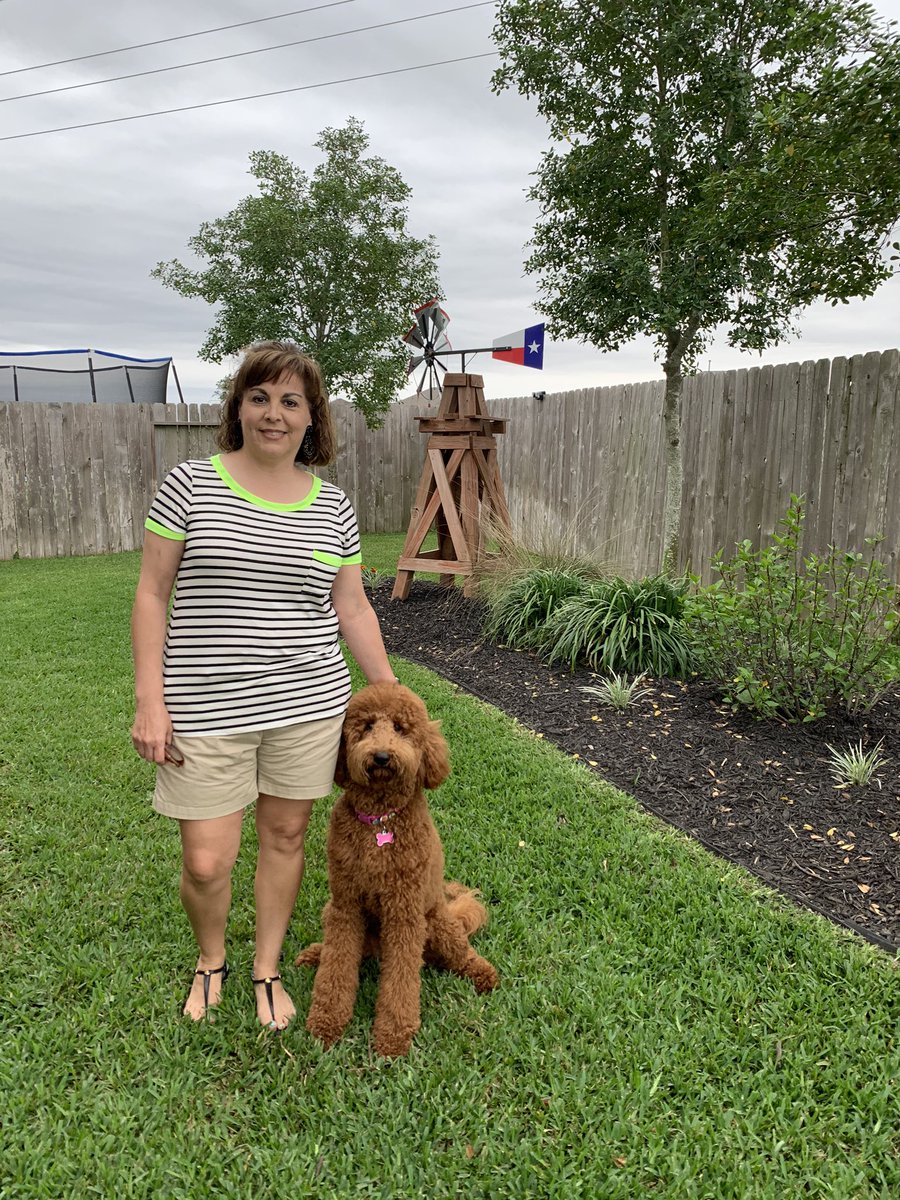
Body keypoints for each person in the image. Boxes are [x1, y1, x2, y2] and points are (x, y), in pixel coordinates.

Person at [130, 340, 398, 1029]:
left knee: (286, 835)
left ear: (312, 420)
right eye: (259, 398)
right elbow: (152, 595)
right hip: (205, 706)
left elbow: (352, 607)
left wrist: (391, 695)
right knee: (206, 860)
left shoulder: (332, 507)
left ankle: (266, 967)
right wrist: (150, 702)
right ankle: (211, 957)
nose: (273, 414)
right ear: (238, 408)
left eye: (290, 402)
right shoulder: (190, 484)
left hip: (309, 708)